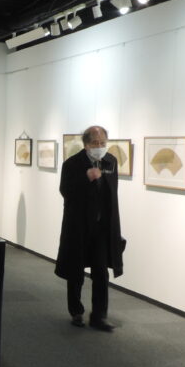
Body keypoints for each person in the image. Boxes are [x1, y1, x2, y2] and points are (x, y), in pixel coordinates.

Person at [55, 125, 124, 332]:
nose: (99, 146)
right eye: (95, 143)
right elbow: (65, 191)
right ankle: (76, 311)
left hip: (102, 229)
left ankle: (99, 316)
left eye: (103, 142)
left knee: (101, 273)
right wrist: (86, 178)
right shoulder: (72, 164)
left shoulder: (111, 161)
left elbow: (112, 194)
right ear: (86, 144)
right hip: (79, 227)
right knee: (76, 271)